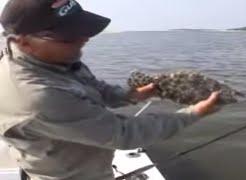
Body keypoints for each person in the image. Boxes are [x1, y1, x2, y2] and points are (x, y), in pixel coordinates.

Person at [0, 0, 220, 179]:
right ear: (24, 42)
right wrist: (196, 113)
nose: (85, 39)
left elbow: (93, 87)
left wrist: (132, 95)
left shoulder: (53, 58)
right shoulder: (37, 96)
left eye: (82, 29)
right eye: (70, 36)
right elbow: (124, 134)